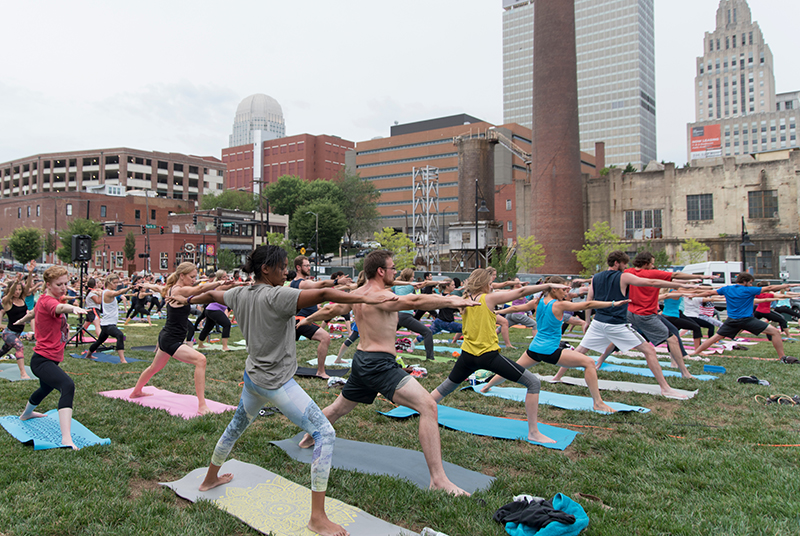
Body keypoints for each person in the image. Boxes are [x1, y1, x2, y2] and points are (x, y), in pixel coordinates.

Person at [180, 245, 392, 536]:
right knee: (325, 433)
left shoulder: (239, 293)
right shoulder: (278, 295)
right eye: (281, 267)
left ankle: (209, 480)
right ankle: (317, 518)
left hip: (253, 380)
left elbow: (213, 295)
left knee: (235, 428)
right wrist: (362, 295)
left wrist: (188, 296)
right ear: (266, 269)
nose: (285, 271)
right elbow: (324, 295)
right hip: (276, 384)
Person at [298, 250, 479, 496]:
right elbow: (415, 302)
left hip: (362, 360)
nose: (395, 272)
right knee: (428, 406)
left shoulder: (357, 293)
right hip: (379, 364)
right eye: (392, 268)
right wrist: (452, 301)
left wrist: (304, 322)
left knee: (340, 407)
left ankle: (309, 436)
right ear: (381, 271)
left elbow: (331, 311)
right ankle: (438, 479)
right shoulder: (381, 295)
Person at [430, 270, 570, 443]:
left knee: (445, 388)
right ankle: (533, 432)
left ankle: (421, 407)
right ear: (483, 284)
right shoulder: (487, 299)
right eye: (490, 282)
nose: (492, 285)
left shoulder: (465, 300)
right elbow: (519, 292)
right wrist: (548, 285)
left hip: (467, 355)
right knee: (533, 383)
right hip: (487, 356)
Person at [555, 251, 696, 399]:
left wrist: (588, 321)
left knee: (580, 351)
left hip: (599, 322)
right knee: (649, 351)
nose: (626, 266)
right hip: (616, 323)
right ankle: (665, 388)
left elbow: (589, 300)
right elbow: (651, 282)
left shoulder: (596, 278)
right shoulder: (623, 276)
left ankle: (557, 377)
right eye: (624, 263)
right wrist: (680, 284)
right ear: (617, 263)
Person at [482, 276, 624, 413]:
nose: (565, 293)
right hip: (549, 350)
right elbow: (587, 304)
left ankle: (486, 387)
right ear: (554, 289)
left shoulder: (537, 302)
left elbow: (515, 309)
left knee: (513, 368)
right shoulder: (559, 305)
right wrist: (613, 303)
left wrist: (498, 311)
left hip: (534, 348)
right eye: (563, 290)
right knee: (589, 363)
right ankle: (598, 403)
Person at [130, 263, 229, 415]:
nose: (193, 279)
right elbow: (199, 289)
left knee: (154, 368)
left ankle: (136, 391)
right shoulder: (178, 290)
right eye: (191, 277)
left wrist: (147, 284)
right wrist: (219, 282)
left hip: (166, 336)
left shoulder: (170, 288)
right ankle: (202, 406)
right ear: (181, 276)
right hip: (171, 340)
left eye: (195, 277)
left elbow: (162, 288)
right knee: (200, 360)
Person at [19, 266, 87, 450]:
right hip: (42, 361)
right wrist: (72, 308)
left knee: (45, 388)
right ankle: (66, 438)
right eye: (59, 284)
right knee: (67, 385)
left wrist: (23, 320)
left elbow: (35, 312)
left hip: (50, 358)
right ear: (48, 284)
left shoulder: (44, 299)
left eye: (66, 283)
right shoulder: (49, 301)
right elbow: (59, 307)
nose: (64, 288)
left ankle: (26, 414)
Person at [622, 251, 710, 378]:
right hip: (646, 315)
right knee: (672, 339)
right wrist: (700, 277)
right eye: (652, 264)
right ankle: (684, 372)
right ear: (646, 264)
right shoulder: (650, 273)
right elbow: (675, 274)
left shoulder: (628, 272)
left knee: (618, 333)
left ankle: (600, 361)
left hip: (631, 313)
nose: (653, 266)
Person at [691, 273, 795, 360]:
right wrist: (788, 285)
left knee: (715, 337)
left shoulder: (727, 288)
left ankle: (696, 352)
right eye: (750, 282)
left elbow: (709, 292)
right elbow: (770, 288)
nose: (751, 284)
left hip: (732, 320)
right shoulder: (748, 290)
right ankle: (782, 357)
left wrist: (693, 295)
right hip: (747, 320)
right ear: (745, 281)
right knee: (775, 332)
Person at [290, 255, 352, 379]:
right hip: (301, 320)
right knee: (325, 337)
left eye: (309, 265)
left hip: (298, 319)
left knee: (287, 345)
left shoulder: (295, 283)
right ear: (298, 267)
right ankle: (320, 371)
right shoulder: (303, 283)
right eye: (306, 265)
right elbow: (322, 284)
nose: (309, 267)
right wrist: (337, 281)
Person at [85, 274, 130, 363]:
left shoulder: (105, 292)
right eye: (115, 283)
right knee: (119, 335)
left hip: (107, 323)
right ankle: (122, 359)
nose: (116, 284)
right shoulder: (108, 292)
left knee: (99, 341)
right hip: (108, 324)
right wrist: (129, 287)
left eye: (117, 282)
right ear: (109, 282)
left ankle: (88, 355)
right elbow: (118, 292)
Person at [393, 268, 435, 360]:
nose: (413, 278)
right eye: (412, 276)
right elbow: (425, 284)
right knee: (427, 332)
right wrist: (440, 283)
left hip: (398, 316)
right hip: (405, 316)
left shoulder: (396, 285)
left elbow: (387, 289)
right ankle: (430, 358)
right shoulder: (410, 286)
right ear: (408, 277)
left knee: (387, 335)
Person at [0, 273, 33, 379]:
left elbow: (27, 287)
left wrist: (30, 273)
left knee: (4, 350)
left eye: (19, 289)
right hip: (8, 333)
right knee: (19, 346)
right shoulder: (7, 301)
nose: (18, 292)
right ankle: (23, 373)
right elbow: (9, 294)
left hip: (17, 333)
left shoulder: (22, 298)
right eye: (15, 290)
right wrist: (15, 282)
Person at [197, 270, 234, 351]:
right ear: (220, 278)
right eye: (224, 276)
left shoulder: (223, 285)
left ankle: (200, 345)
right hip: (213, 310)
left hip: (211, 310)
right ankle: (225, 347)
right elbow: (230, 286)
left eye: (226, 276)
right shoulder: (219, 286)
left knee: (207, 328)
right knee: (227, 324)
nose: (226, 278)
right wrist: (238, 284)